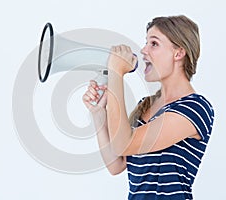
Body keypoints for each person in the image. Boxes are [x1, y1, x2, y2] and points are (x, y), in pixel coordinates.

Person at [82, 15, 214, 200]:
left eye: (154, 43)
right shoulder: (145, 106)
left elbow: (124, 144)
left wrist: (116, 72)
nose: (143, 50)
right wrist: (98, 114)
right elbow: (116, 164)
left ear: (178, 53)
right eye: (146, 43)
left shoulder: (195, 108)